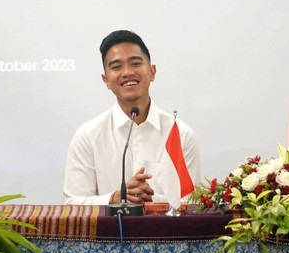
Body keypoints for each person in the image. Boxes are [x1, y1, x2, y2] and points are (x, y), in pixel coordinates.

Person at [63, 30, 201, 205]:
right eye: (116, 67)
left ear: (152, 72)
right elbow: (73, 203)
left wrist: (150, 199)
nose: (127, 72)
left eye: (135, 63)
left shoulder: (181, 134)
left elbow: (192, 204)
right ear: (106, 80)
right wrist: (115, 198)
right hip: (110, 232)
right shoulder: (88, 135)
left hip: (165, 232)